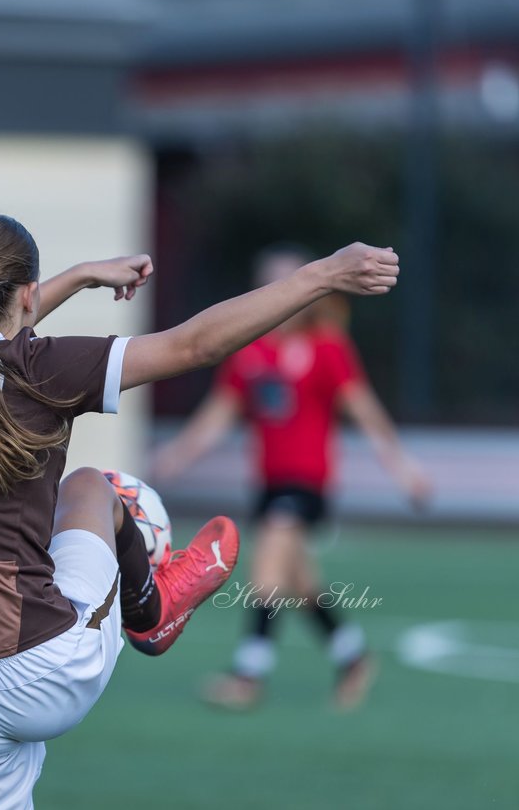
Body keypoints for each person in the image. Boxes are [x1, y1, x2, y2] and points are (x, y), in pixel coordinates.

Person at [0, 215, 399, 808]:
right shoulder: (40, 369)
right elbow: (194, 344)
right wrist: (320, 275)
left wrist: (78, 278)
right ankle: (150, 611)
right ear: (26, 295)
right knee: (93, 487)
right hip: (29, 667)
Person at [152, 244, 429, 711]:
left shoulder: (327, 348)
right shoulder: (249, 353)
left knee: (267, 570)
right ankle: (354, 656)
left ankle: (247, 675)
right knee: (299, 584)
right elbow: (218, 416)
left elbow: (364, 411)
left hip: (308, 486)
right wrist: (176, 455)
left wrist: (404, 468)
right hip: (269, 484)